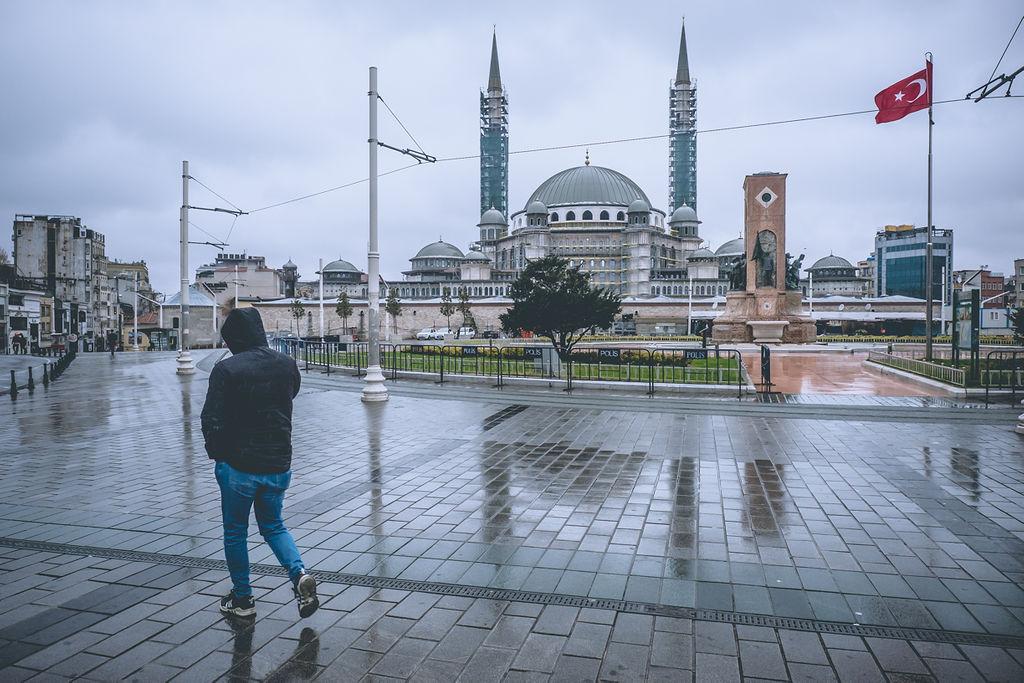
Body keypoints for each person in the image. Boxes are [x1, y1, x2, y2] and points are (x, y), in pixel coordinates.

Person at [201, 308, 318, 619]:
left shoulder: (227, 370)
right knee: (274, 525)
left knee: (236, 532)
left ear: (233, 338)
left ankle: (243, 598)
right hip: (279, 464)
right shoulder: (287, 364)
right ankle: (299, 575)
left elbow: (210, 418)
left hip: (239, 465)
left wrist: (219, 455)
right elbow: (290, 396)